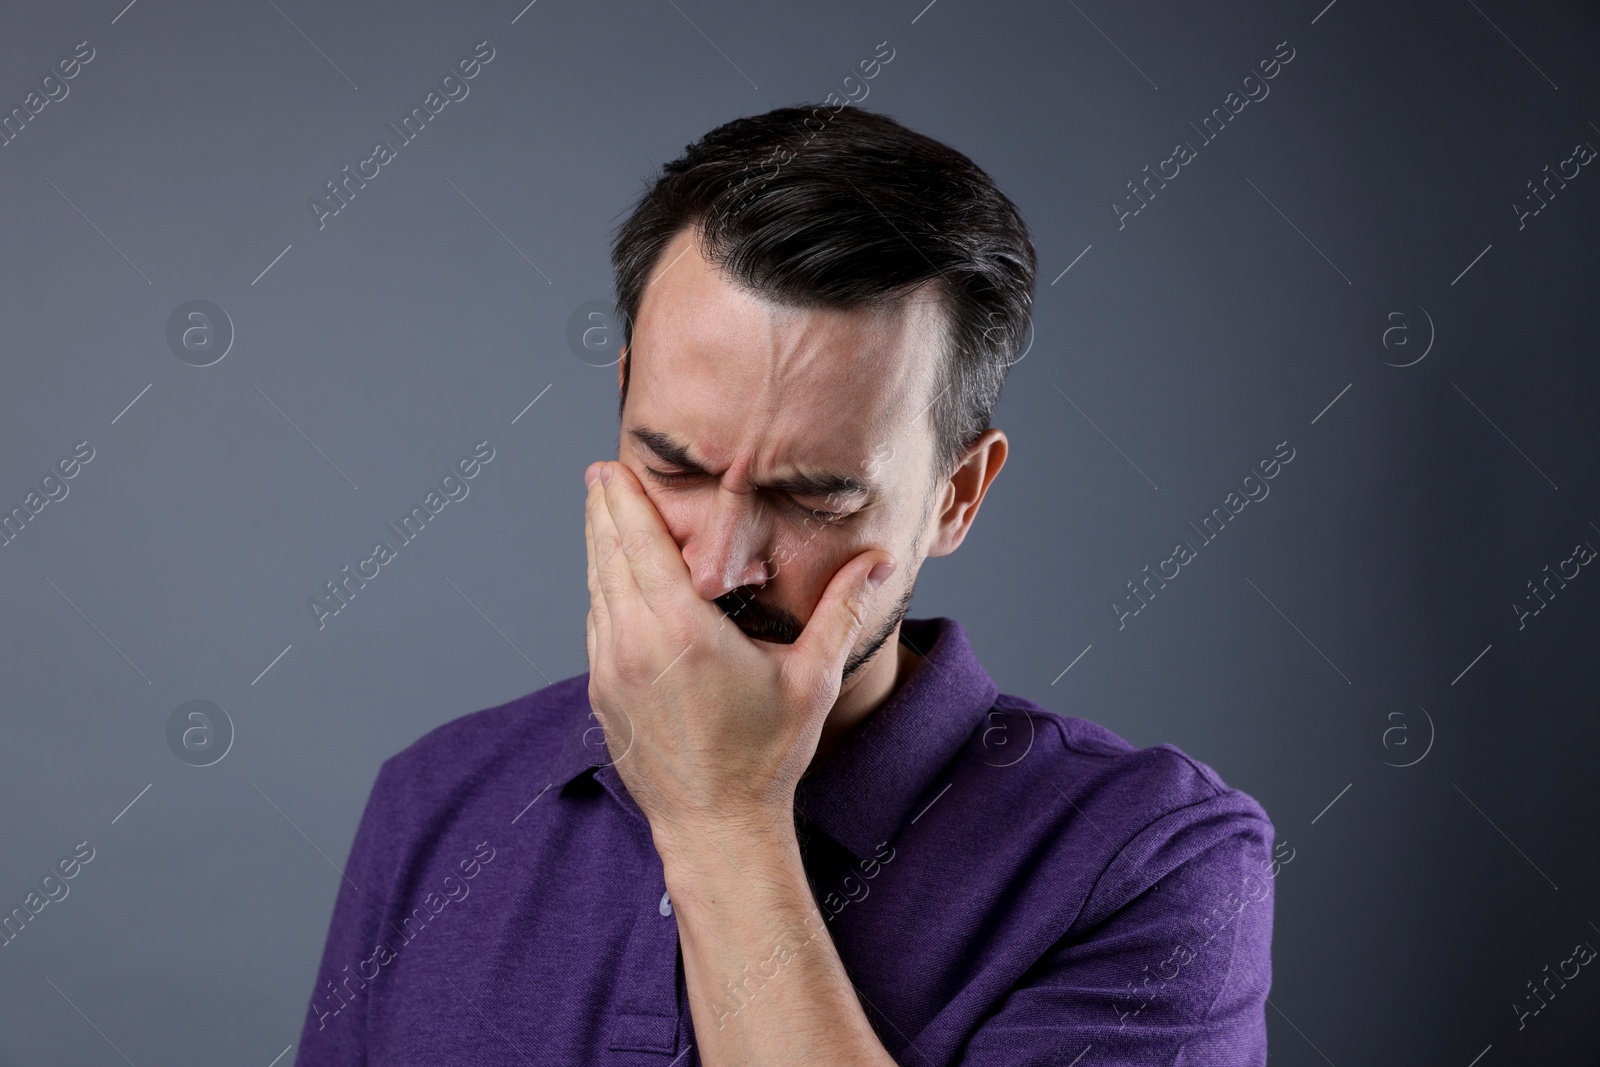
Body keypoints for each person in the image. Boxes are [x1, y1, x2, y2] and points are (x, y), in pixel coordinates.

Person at [296, 104, 1275, 1066]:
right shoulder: (434, 800)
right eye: (673, 465)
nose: (719, 565)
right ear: (624, 393)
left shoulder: (1149, 864)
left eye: (814, 498)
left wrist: (721, 817)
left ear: (955, 496)